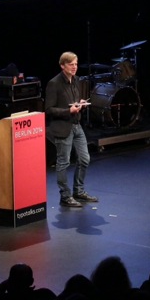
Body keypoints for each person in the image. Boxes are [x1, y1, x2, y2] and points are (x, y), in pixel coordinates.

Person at [45, 51, 98, 208]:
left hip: (76, 125)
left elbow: (72, 102)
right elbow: (48, 109)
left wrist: (79, 103)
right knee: (64, 162)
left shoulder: (76, 81)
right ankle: (65, 196)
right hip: (62, 128)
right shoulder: (54, 83)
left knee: (84, 159)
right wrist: (68, 111)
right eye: (71, 64)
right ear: (63, 66)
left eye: (76, 64)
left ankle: (78, 191)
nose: (75, 67)